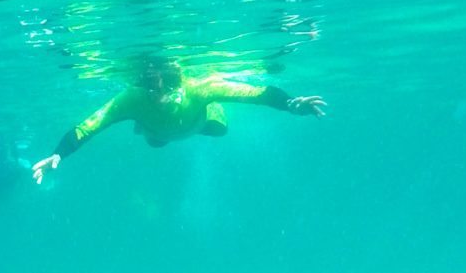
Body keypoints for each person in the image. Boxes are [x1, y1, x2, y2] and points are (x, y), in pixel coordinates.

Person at [31, 60, 325, 184]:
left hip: (199, 121)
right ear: (142, 82)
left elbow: (256, 93)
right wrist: (59, 152)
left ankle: (161, 124)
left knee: (220, 129)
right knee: (156, 142)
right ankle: (144, 127)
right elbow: (88, 126)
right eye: (151, 86)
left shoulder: (201, 87)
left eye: (166, 84)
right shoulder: (130, 98)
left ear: (178, 79)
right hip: (158, 131)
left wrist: (290, 105)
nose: (158, 92)